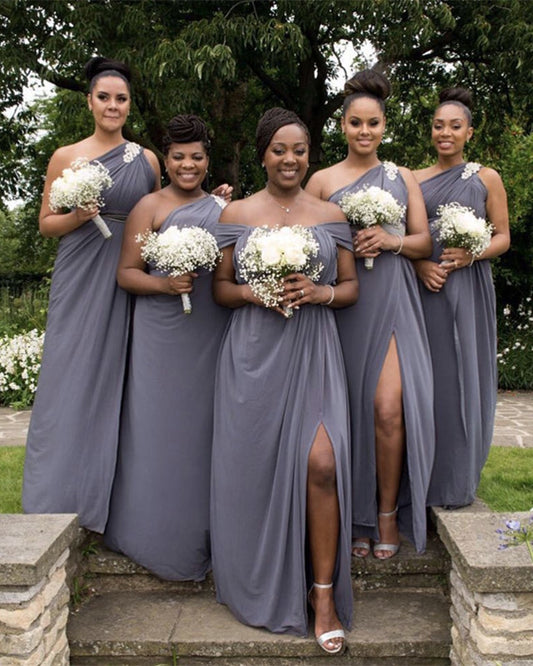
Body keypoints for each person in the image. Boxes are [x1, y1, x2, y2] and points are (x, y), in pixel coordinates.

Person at [210, 108, 358, 653]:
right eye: (279, 149)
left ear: (308, 154)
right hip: (252, 353)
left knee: (323, 462)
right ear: (263, 154)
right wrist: (256, 292)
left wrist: (319, 293)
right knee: (253, 470)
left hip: (313, 348)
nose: (290, 159)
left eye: (298, 149)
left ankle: (323, 595)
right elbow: (221, 288)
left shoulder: (331, 213)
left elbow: (349, 289)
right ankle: (257, 579)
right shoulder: (237, 211)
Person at [23, 57, 160, 532]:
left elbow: (162, 215)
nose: (113, 105)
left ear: (129, 105)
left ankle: (117, 504)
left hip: (129, 273)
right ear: (89, 101)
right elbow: (45, 224)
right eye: (104, 97)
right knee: (70, 375)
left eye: (121, 98)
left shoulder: (146, 160)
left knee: (125, 379)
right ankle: (57, 496)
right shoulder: (66, 156)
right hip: (81, 272)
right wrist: (78, 216)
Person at [306, 69, 434, 559]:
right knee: (343, 411)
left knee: (386, 408)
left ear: (384, 126)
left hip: (392, 298)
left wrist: (392, 239)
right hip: (339, 303)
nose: (364, 132)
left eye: (373, 123)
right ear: (342, 126)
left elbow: (424, 240)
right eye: (356, 123)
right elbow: (300, 235)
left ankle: (385, 512)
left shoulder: (401, 178)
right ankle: (353, 515)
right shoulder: (321, 181)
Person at [103, 115, 231, 580]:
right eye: (178, 157)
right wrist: (164, 284)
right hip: (161, 334)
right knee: (158, 431)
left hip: (210, 332)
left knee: (204, 433)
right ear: (167, 160)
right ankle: (155, 538)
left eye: (196, 156)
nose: (187, 165)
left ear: (206, 160)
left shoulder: (222, 210)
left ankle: (208, 537)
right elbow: (126, 273)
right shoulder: (148, 207)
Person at [413, 88, 510, 508]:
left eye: (455, 126)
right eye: (439, 126)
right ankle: (417, 479)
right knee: (425, 382)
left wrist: (474, 254)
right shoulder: (413, 180)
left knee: (463, 379)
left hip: (468, 288)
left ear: (469, 131)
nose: (445, 133)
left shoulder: (486, 178)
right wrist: (419, 267)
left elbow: (503, 236)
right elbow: (405, 239)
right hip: (424, 289)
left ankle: (456, 480)